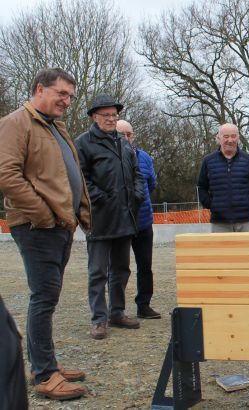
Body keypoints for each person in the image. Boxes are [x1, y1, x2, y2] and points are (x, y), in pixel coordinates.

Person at [0, 68, 91, 400]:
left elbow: (67, 173)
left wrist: (74, 212)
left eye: (70, 95)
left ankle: (48, 363)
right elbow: (7, 174)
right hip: (38, 226)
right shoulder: (16, 123)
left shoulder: (55, 127)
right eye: (61, 93)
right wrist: (42, 214)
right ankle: (44, 374)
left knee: (48, 298)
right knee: (43, 297)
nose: (67, 101)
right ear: (40, 89)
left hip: (58, 225)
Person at [75, 94, 145, 340]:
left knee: (121, 269)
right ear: (94, 117)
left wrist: (137, 194)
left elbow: (136, 172)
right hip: (100, 218)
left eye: (114, 115)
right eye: (106, 115)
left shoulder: (124, 143)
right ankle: (99, 319)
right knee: (97, 272)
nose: (111, 119)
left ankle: (117, 312)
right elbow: (80, 177)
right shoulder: (83, 143)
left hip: (125, 218)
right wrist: (100, 197)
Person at [116, 120, 161, 319]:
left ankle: (144, 305)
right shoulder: (109, 158)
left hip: (143, 222)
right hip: (120, 223)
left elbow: (151, 184)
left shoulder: (145, 158)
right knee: (119, 268)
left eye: (129, 134)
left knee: (145, 266)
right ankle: (117, 309)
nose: (126, 138)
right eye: (121, 134)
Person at [197, 123, 249, 232]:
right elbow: (201, 186)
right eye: (226, 136)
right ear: (218, 138)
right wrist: (212, 204)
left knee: (248, 250)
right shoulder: (208, 161)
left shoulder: (247, 160)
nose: (230, 140)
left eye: (233, 136)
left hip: (245, 221)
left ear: (238, 138)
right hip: (219, 222)